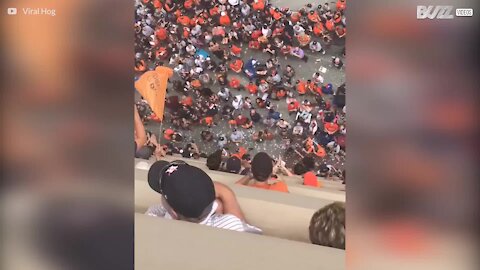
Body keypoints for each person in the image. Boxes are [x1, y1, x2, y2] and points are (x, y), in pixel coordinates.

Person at [146, 161, 262, 233]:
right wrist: (223, 193)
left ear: (174, 213)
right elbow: (252, 234)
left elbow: (156, 210)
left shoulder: (153, 219)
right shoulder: (231, 225)